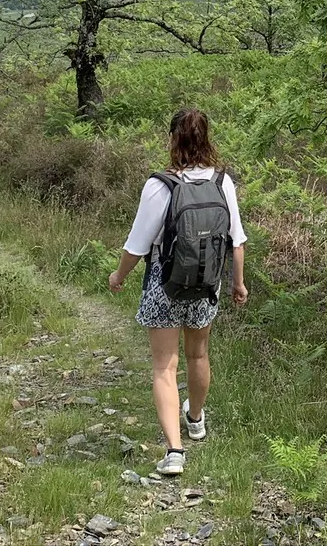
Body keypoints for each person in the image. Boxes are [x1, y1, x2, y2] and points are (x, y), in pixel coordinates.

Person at [108, 108, 248, 477]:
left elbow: (137, 246)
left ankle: (174, 452)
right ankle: (196, 419)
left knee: (163, 367)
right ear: (207, 139)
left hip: (164, 285)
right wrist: (238, 283)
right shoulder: (223, 182)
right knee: (198, 355)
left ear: (172, 139)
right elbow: (237, 241)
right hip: (206, 285)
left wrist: (118, 276)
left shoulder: (160, 185)